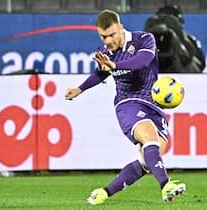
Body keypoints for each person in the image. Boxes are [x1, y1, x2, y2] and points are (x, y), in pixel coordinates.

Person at [64, 9, 186, 205]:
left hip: (153, 105)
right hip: (127, 104)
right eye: (103, 37)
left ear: (121, 28)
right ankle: (166, 185)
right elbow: (100, 74)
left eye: (112, 34)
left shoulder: (143, 39)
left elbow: (143, 61)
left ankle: (104, 193)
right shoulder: (105, 54)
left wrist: (115, 66)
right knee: (150, 138)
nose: (108, 41)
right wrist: (80, 89)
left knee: (148, 160)